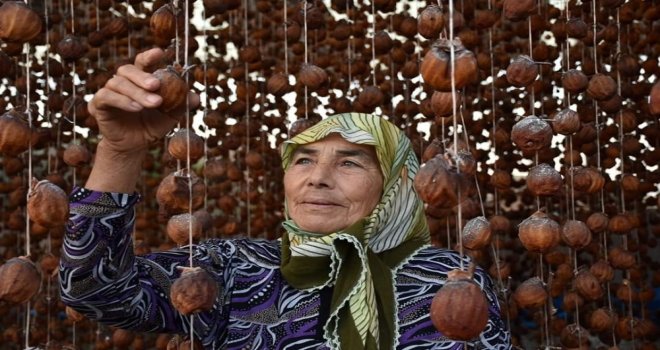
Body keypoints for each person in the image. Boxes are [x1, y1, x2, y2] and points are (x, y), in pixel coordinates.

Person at [59, 47, 512, 349]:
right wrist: (121, 151)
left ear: (395, 186)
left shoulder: (448, 278)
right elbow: (97, 291)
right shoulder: (237, 268)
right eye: (303, 161)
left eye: (350, 163)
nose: (317, 179)